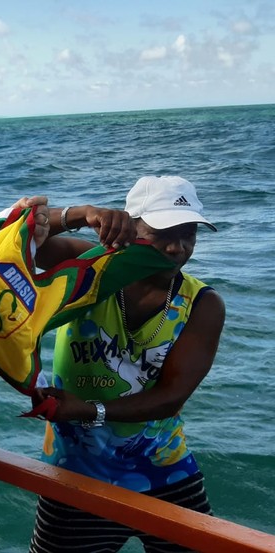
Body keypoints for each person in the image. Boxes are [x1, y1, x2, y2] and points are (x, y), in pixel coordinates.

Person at [29, 176, 223, 552]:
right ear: (130, 227)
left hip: (163, 470)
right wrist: (82, 214)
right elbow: (7, 244)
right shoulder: (88, 268)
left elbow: (171, 397)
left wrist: (87, 410)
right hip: (76, 475)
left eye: (189, 235)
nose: (177, 247)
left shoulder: (202, 303)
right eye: (162, 232)